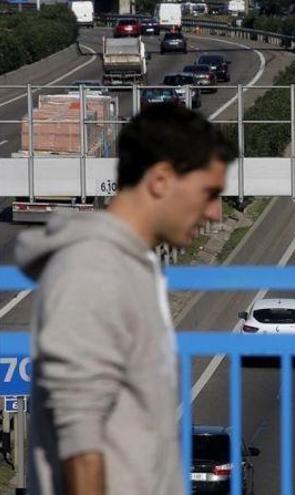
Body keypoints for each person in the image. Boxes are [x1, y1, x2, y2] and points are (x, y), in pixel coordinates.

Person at [15, 103, 236, 495]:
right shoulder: (92, 271)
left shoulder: (130, 268)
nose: (216, 213)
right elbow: (82, 444)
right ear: (161, 180)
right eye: (208, 193)